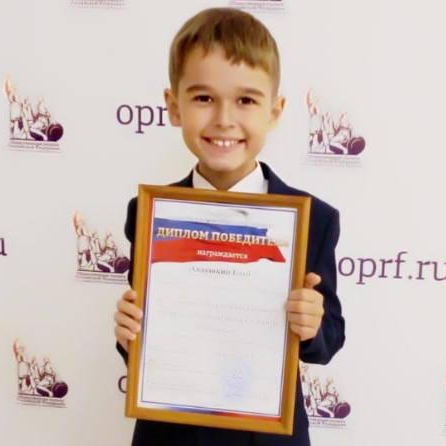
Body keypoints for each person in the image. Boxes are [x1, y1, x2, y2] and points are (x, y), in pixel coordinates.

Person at [112, 6, 346, 446]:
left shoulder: (315, 219)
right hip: (171, 434)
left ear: (274, 112)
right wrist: (130, 333)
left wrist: (313, 325)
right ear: (174, 107)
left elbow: (330, 338)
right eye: (203, 98)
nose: (223, 119)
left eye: (246, 100)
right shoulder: (148, 213)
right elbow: (150, 343)